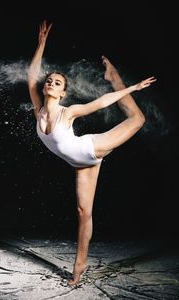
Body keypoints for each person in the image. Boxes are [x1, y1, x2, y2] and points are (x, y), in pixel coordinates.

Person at [27, 20, 156, 285]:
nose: (51, 82)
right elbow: (32, 75)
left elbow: (100, 103)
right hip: (82, 165)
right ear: (45, 88)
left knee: (138, 119)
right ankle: (80, 266)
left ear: (63, 93)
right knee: (83, 212)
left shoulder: (68, 112)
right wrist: (41, 44)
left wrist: (131, 87)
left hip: (90, 147)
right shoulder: (37, 110)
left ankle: (114, 77)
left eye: (57, 82)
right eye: (49, 80)